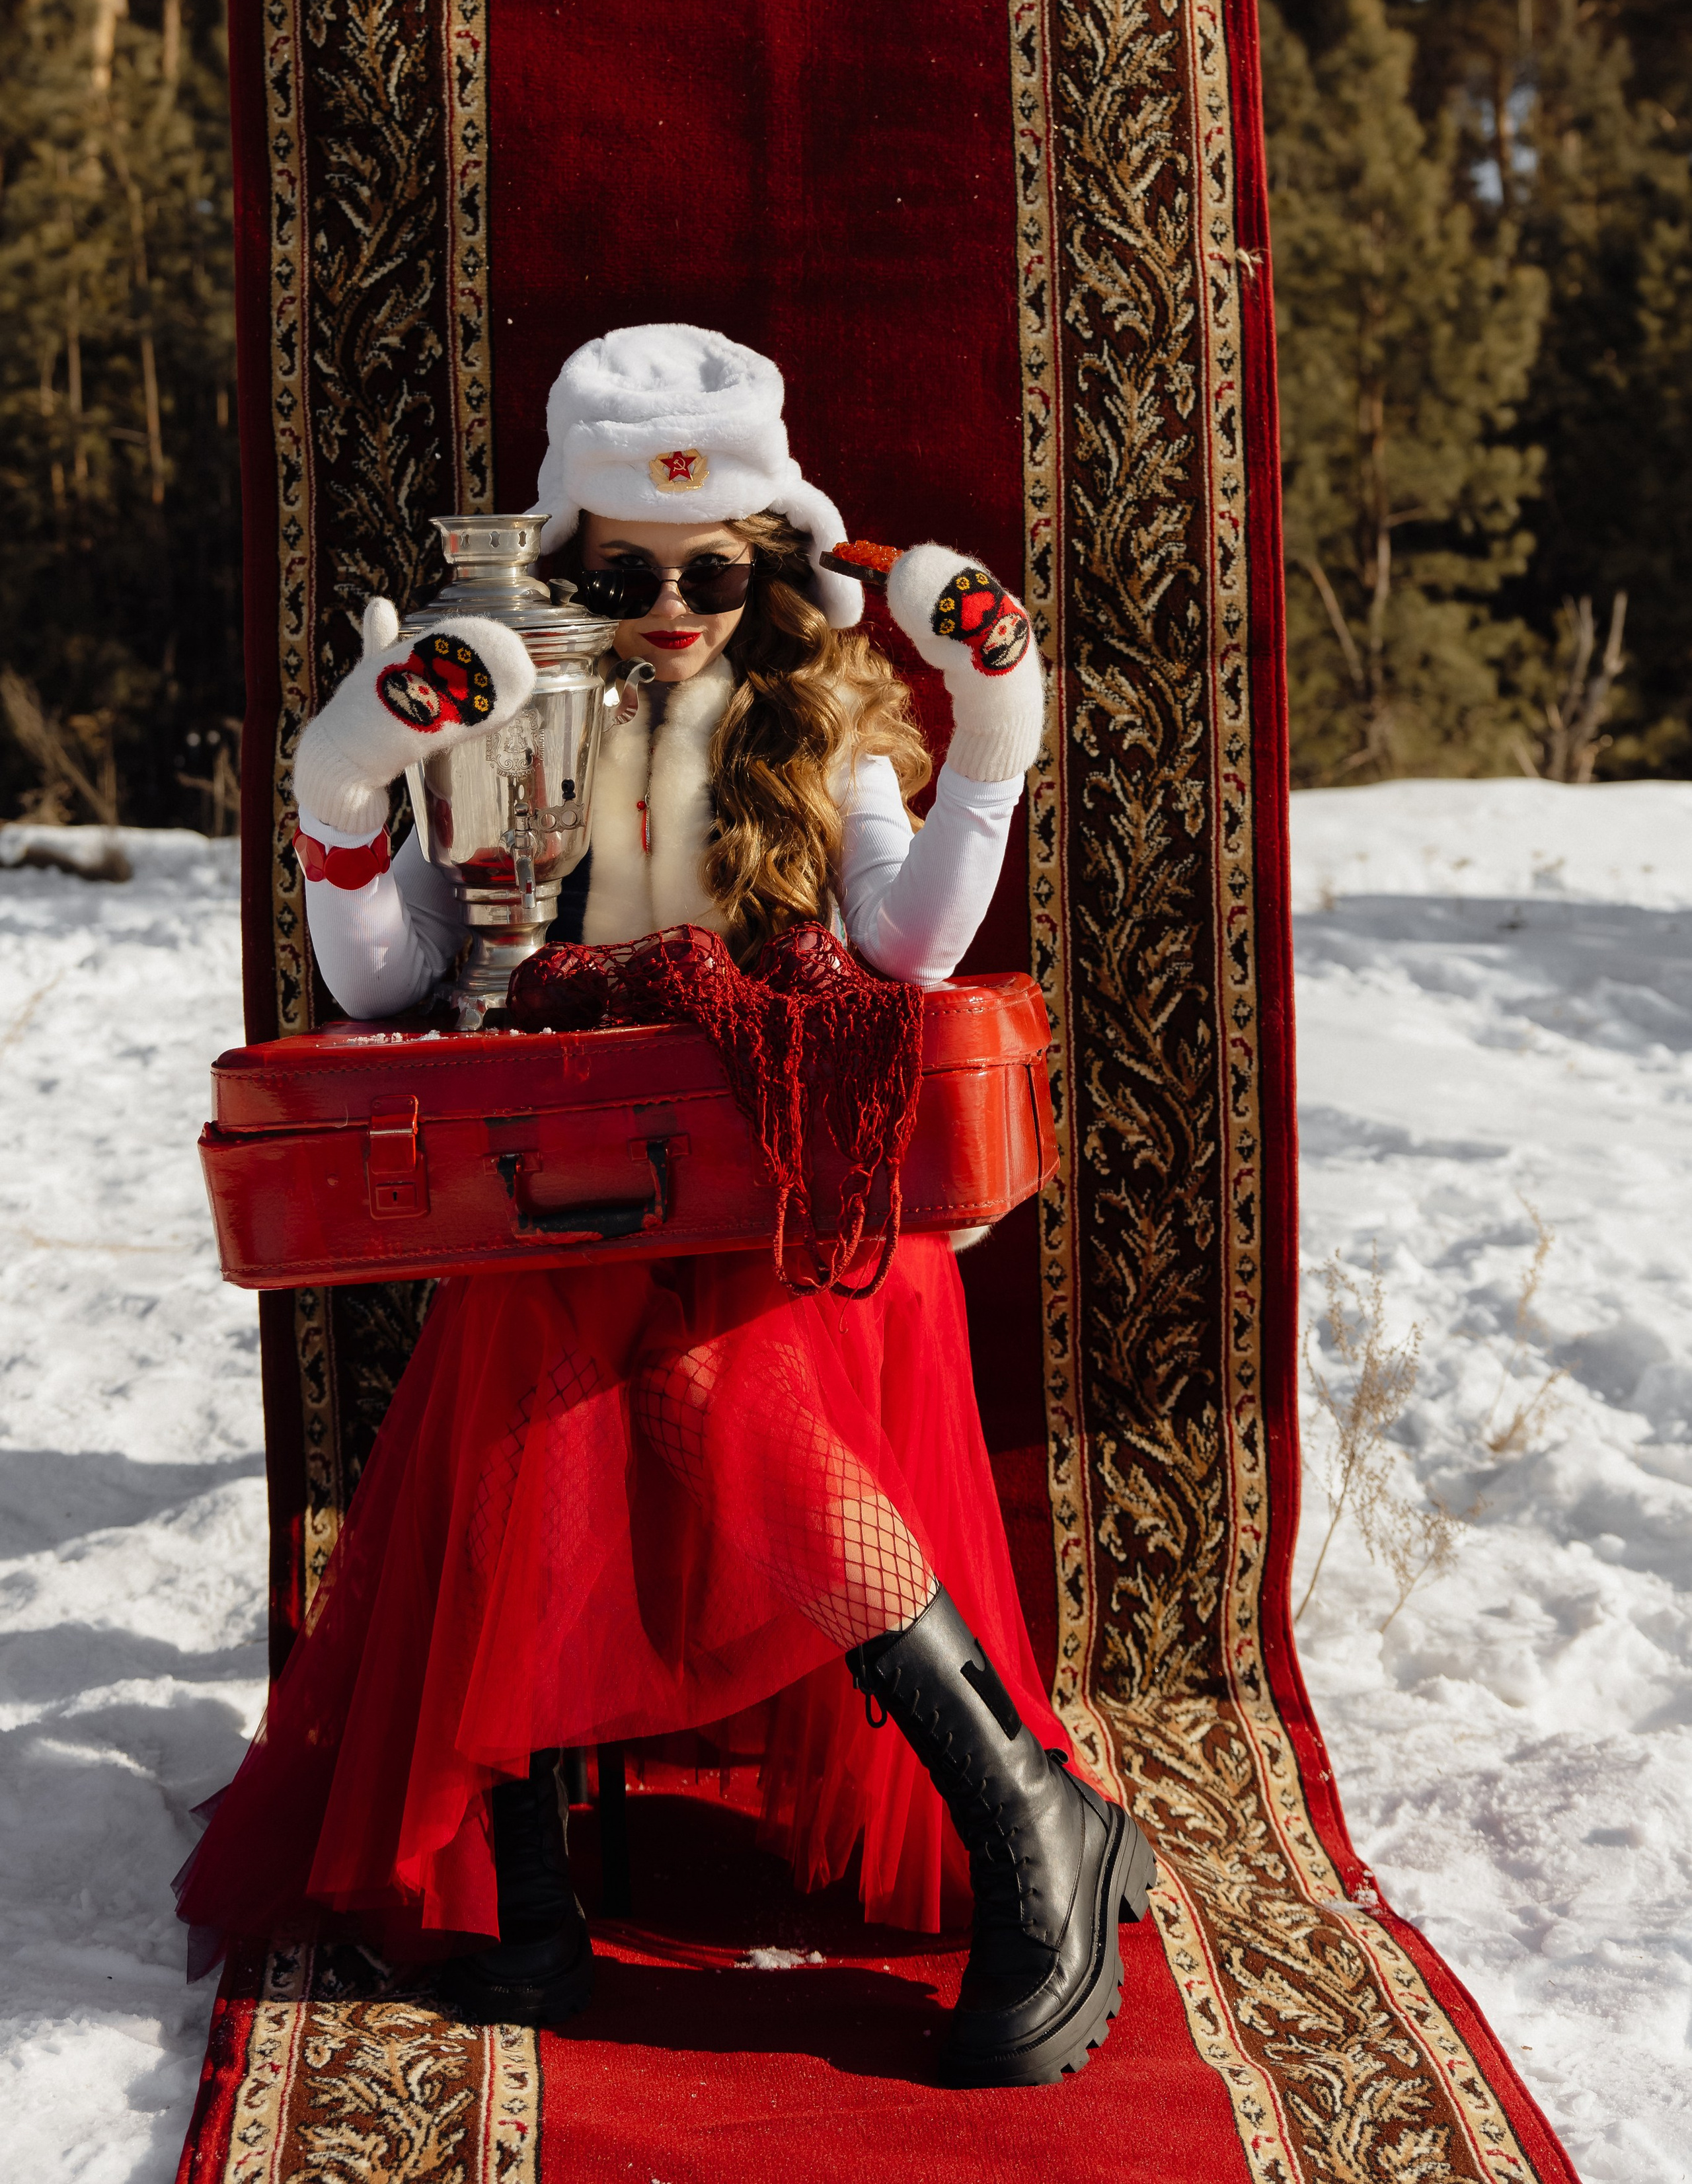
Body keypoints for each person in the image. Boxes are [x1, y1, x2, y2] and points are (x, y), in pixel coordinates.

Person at [176, 325, 1154, 2090]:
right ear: (563, 564)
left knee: (679, 1371)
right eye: (625, 572)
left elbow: (912, 947)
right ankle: (526, 1852)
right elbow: (392, 979)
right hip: (572, 1185)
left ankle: (1012, 1799)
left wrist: (990, 739)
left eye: (712, 569)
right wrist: (347, 800)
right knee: (542, 1317)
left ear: (773, 552)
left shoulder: (811, 710)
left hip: (791, 1192)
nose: (674, 606)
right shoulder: (509, 705)